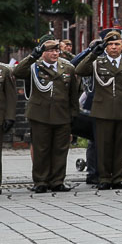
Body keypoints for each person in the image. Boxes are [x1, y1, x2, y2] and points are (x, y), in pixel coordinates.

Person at [74, 30, 122, 189]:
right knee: (103, 146)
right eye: (110, 44)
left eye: (117, 44)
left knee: (121, 147)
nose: (114, 47)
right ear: (105, 47)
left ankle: (118, 177)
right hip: (102, 111)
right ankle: (104, 178)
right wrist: (92, 54)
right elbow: (79, 70)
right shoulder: (98, 62)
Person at [17, 39, 78, 192]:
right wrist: (32, 57)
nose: (55, 53)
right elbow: (17, 72)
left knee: (60, 150)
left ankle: (57, 181)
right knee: (41, 150)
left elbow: (73, 94)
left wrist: (73, 114)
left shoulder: (68, 68)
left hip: (62, 114)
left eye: (57, 50)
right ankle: (41, 181)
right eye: (51, 50)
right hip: (40, 115)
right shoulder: (34, 66)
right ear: (43, 53)